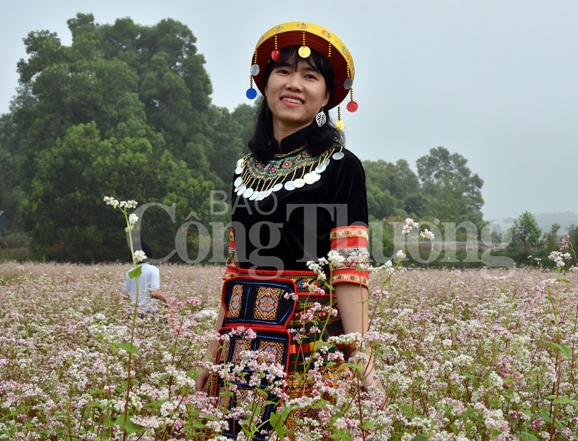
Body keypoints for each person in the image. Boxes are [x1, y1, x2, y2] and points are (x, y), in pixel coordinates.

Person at [195, 22, 384, 436]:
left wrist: (363, 361)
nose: (294, 84)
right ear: (264, 83)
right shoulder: (244, 171)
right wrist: (210, 359)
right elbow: (234, 271)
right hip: (240, 341)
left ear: (327, 96)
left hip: (309, 341)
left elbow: (349, 273)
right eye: (283, 72)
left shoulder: (341, 166)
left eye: (310, 76)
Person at [122, 240, 168, 313]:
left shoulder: (129, 272)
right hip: (149, 311)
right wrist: (165, 299)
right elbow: (154, 293)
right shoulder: (153, 270)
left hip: (133, 312)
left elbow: (125, 295)